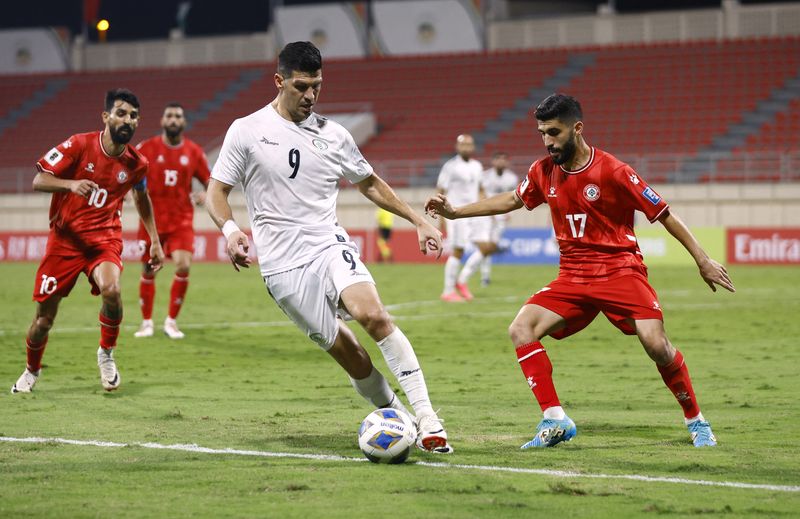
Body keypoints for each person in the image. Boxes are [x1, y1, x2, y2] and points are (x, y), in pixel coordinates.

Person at [425, 93, 735, 448]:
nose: (547, 142)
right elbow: (513, 199)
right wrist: (455, 212)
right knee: (521, 328)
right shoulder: (543, 171)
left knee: (656, 343)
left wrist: (703, 260)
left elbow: (663, 213)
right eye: (542, 133)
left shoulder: (615, 171)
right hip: (573, 276)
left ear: (577, 128)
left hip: (621, 270)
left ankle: (696, 421)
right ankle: (555, 420)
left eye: (554, 133)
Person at [205, 41, 452, 453]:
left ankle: (427, 417)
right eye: (301, 86)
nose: (310, 96)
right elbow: (216, 191)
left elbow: (369, 182)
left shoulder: (334, 134)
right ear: (279, 81)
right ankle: (396, 414)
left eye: (317, 86)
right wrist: (230, 230)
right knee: (351, 354)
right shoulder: (246, 130)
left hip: (327, 244)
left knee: (372, 314)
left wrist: (418, 220)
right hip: (282, 268)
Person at [11, 88, 164, 394]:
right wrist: (70, 184)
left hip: (104, 240)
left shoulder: (137, 164)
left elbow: (142, 198)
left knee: (112, 289)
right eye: (121, 113)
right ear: (106, 117)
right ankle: (31, 370)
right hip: (64, 242)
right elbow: (39, 179)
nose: (128, 120)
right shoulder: (79, 144)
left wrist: (155, 241)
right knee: (44, 321)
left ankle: (106, 354)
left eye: (134, 116)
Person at [133, 102, 211, 340]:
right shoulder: (146, 148)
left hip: (181, 221)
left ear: (184, 122)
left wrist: (206, 195)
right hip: (151, 222)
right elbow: (130, 176)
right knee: (148, 269)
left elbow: (212, 183)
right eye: (169, 116)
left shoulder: (194, 152)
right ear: (162, 121)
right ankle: (146, 322)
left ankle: (171, 322)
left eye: (178, 116)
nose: (174, 119)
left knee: (184, 265)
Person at [435, 134, 484, 302]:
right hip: (455, 214)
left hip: (473, 213)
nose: (466, 148)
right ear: (457, 147)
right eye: (463, 145)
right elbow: (441, 190)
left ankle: (460, 282)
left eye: (469, 145)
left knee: (483, 247)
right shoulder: (451, 167)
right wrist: (440, 214)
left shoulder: (477, 166)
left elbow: (480, 188)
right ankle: (448, 291)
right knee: (457, 250)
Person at [459, 151, 518, 288]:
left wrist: (511, 212)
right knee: (486, 247)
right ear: (493, 161)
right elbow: (480, 194)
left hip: (502, 218)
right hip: (487, 216)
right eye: (498, 159)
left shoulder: (512, 178)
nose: (501, 162)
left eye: (504, 159)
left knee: (488, 248)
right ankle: (464, 277)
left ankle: (484, 276)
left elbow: (515, 197)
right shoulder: (485, 177)